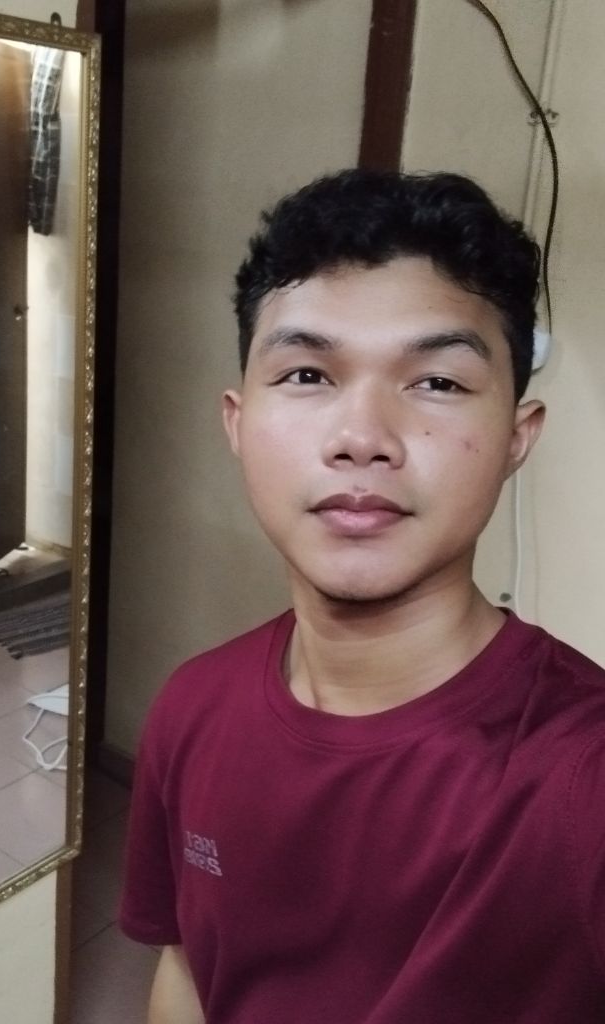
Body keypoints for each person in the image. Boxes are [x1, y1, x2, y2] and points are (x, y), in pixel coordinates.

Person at [118, 169, 605, 1023]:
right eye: (307, 374)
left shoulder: (581, 781)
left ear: (516, 437)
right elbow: (188, 969)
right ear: (237, 422)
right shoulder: (192, 707)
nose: (361, 438)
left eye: (438, 382)